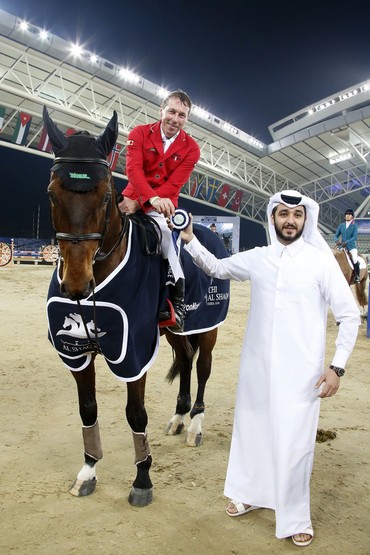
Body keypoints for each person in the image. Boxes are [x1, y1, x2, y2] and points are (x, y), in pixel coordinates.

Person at [179, 190, 360, 547]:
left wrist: (336, 368)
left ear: (306, 219)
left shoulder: (320, 262)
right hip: (256, 367)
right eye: (283, 214)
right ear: (272, 218)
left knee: (296, 445)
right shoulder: (258, 258)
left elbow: (349, 315)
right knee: (252, 431)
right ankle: (249, 493)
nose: (290, 220)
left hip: (303, 375)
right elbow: (217, 268)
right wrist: (190, 239)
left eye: (297, 214)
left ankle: (295, 517)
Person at [119, 90, 200, 332]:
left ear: (187, 119)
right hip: (133, 195)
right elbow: (133, 170)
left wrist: (149, 203)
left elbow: (175, 184)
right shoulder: (139, 133)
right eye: (172, 112)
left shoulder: (192, 149)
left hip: (163, 204)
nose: (176, 119)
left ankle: (177, 300)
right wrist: (144, 198)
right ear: (161, 111)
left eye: (182, 115)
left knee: (167, 236)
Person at [334, 209, 360, 283]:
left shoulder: (354, 225)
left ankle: (357, 276)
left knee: (354, 258)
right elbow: (336, 235)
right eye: (346, 214)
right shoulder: (342, 225)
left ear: (352, 216)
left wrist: (347, 242)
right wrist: (336, 240)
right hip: (342, 246)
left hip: (351, 247)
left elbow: (355, 237)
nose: (347, 215)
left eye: (349, 214)